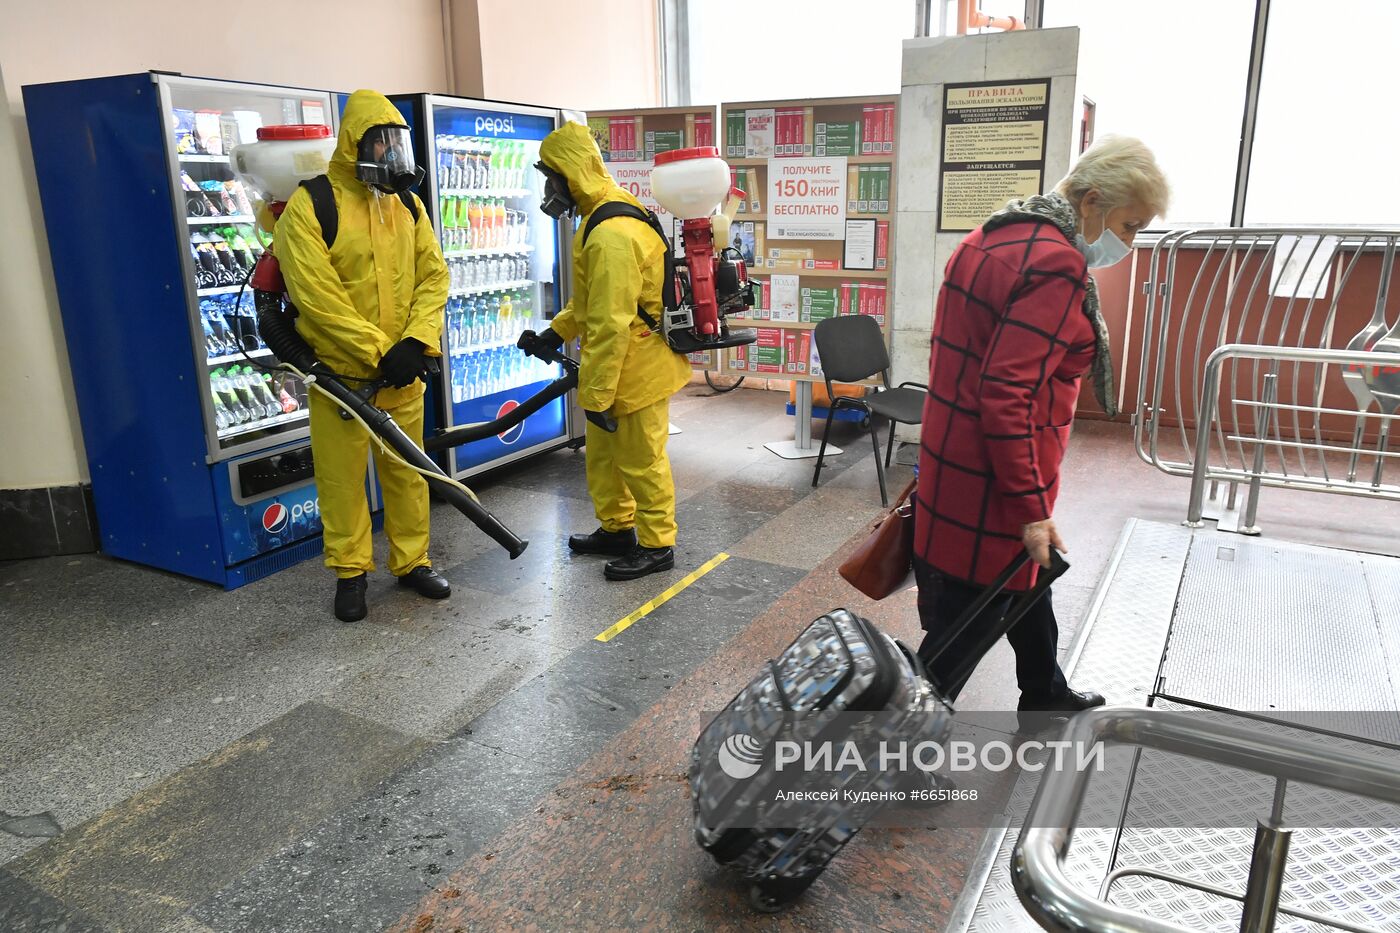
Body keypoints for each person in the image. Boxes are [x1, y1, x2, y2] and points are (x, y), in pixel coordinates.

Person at [912, 135, 1169, 720]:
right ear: (1093, 202)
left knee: (1031, 578)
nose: (1127, 242)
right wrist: (1031, 506)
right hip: (996, 480)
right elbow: (1007, 394)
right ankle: (898, 743)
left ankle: (1045, 688)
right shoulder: (1055, 264)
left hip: (954, 456)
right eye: (1129, 226)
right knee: (962, 630)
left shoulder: (994, 234)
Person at [277, 89, 452, 622]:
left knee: (408, 472)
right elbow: (317, 298)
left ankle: (411, 561)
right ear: (356, 143)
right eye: (379, 143)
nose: (389, 154)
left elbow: (433, 275)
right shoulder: (313, 204)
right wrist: (382, 352)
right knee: (342, 478)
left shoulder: (408, 204)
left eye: (395, 142)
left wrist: (417, 342)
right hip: (341, 379)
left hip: (403, 373)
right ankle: (351, 572)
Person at [519, 122, 691, 581]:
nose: (549, 189)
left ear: (571, 175)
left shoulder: (611, 231)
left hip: (635, 366)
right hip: (617, 364)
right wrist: (556, 333)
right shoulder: (601, 216)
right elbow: (592, 301)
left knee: (641, 459)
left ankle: (658, 545)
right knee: (604, 458)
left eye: (551, 178)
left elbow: (612, 321)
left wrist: (594, 395)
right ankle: (618, 528)